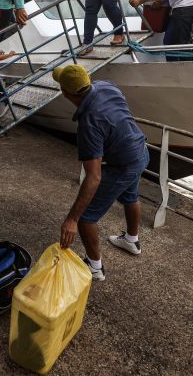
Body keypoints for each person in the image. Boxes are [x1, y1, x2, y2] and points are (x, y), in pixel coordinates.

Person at [55, 64, 149, 282]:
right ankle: (131, 241)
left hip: (124, 164)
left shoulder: (88, 123)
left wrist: (72, 218)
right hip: (141, 151)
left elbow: (94, 177)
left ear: (66, 94)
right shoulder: (106, 86)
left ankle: (95, 266)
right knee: (130, 196)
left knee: (86, 217)